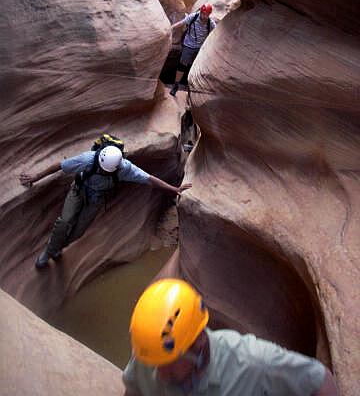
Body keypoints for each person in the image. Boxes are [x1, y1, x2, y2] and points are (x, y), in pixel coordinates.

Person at [123, 278, 339, 396]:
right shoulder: (153, 350)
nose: (159, 374)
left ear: (197, 342)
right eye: (154, 364)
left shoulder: (253, 362)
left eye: (168, 364)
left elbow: (321, 382)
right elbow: (134, 391)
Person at [19, 147, 191, 269]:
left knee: (78, 232)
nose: (104, 171)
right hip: (78, 190)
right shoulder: (89, 159)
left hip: (96, 199)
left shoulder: (125, 168)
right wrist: (35, 177)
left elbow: (149, 179)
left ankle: (58, 247)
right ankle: (49, 252)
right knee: (64, 221)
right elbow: (61, 166)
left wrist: (173, 189)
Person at [170, 3, 216, 97]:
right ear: (201, 12)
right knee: (182, 65)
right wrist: (170, 28)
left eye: (207, 14)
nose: (205, 16)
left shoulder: (210, 23)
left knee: (196, 68)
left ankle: (193, 88)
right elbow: (181, 23)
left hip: (200, 48)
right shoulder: (194, 17)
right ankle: (176, 85)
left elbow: (216, 32)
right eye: (203, 14)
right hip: (188, 45)